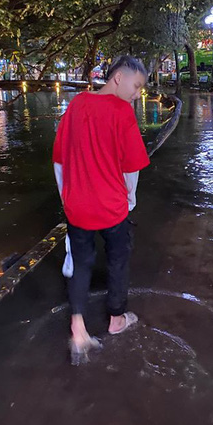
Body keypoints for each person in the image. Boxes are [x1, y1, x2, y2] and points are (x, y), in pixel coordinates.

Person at [52, 55, 150, 365]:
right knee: (118, 258)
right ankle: (116, 318)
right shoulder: (122, 113)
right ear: (118, 77)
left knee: (81, 264)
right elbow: (132, 168)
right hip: (111, 206)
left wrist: (65, 197)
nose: (137, 94)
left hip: (77, 206)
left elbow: (59, 159)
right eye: (136, 86)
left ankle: (78, 329)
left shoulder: (77, 104)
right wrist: (130, 200)